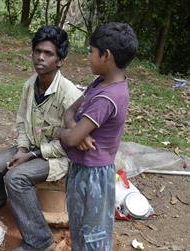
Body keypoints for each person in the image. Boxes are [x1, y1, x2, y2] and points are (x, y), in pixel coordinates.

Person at [0, 26, 82, 251]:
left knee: (15, 178)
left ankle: (40, 241)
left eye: (48, 53)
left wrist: (32, 155)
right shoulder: (30, 85)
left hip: (58, 156)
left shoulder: (70, 95)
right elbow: (21, 121)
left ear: (60, 61)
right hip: (32, 147)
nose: (40, 57)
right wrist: (22, 148)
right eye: (37, 51)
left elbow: (71, 143)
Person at [58, 22, 138, 251]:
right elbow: (69, 111)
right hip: (82, 169)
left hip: (94, 178)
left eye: (91, 52)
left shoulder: (107, 98)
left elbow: (71, 138)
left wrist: (64, 133)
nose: (89, 57)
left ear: (106, 56)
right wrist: (75, 131)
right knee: (79, 228)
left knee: (94, 237)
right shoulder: (101, 84)